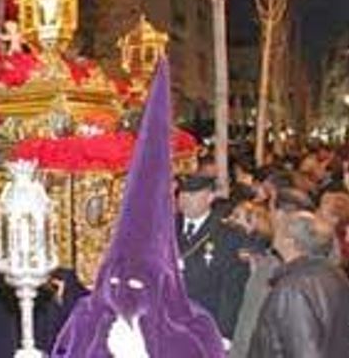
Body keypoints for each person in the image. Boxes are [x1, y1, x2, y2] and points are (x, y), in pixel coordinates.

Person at [53, 61, 225, 357]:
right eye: (116, 281)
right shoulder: (86, 319)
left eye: (135, 283)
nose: (122, 295)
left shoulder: (193, 333)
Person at [248, 211, 349, 357]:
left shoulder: (293, 289)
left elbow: (303, 351)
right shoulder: (336, 275)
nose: (275, 228)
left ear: (290, 241)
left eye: (281, 227)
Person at [176, 174, 249, 342]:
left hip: (205, 322)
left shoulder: (228, 235)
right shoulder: (167, 227)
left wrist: (224, 334)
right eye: (182, 194)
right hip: (168, 321)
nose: (186, 199)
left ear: (210, 197)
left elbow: (232, 289)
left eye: (193, 195)